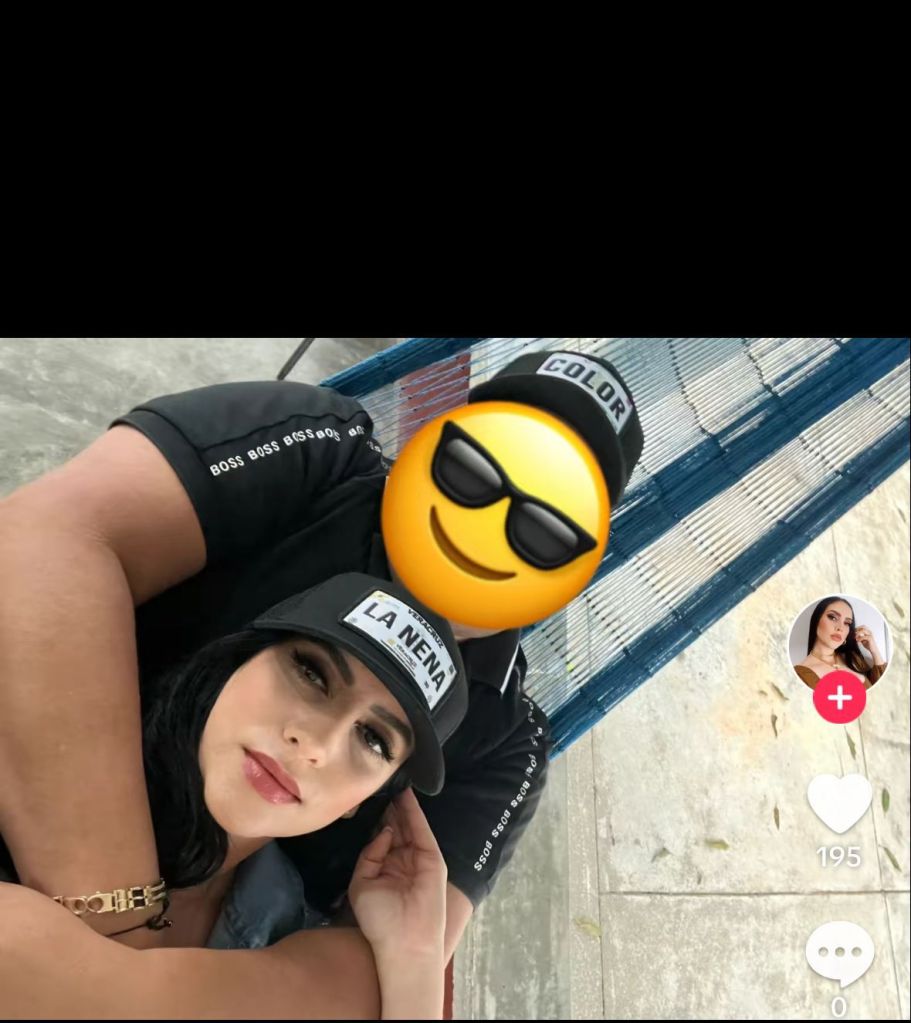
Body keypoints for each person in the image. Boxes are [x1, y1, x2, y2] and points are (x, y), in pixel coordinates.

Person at [0, 348, 642, 1012]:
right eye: (469, 471)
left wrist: (113, 983)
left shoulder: (505, 738)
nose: (487, 525)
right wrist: (123, 933)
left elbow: (390, 957)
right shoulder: (319, 452)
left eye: (542, 531)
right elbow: (43, 543)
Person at [0, 572, 464, 1018]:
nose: (317, 746)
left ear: (361, 802)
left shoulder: (286, 931)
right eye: (311, 673)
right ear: (237, 661)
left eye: (373, 740)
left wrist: (417, 959)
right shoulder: (37, 753)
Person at [793, 596, 888, 690]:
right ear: (816, 620)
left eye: (847, 623)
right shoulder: (800, 675)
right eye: (832, 617)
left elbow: (882, 691)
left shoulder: (853, 658)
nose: (840, 628)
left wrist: (874, 650)